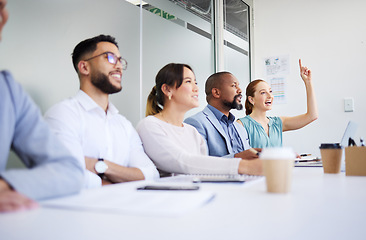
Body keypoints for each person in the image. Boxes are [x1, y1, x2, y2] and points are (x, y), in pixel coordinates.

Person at [0, 0, 83, 212]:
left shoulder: (8, 91)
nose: (4, 15)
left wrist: (5, 185)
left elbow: (70, 171)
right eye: (110, 57)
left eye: (1, 6)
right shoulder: (63, 112)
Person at [44, 35, 159, 188]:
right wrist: (122, 178)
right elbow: (69, 175)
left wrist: (101, 165)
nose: (118, 66)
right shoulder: (63, 114)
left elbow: (151, 174)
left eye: (120, 60)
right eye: (110, 58)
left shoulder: (123, 124)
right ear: (85, 67)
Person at [136, 63, 262, 176]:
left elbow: (204, 171)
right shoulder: (149, 125)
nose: (196, 88)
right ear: (167, 90)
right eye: (188, 82)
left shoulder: (192, 132)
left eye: (195, 82)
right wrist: (243, 166)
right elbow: (182, 162)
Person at [237, 59, 318, 148]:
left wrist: (308, 82)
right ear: (251, 100)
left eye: (270, 91)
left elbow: (312, 116)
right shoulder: (241, 125)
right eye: (263, 92)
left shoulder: (277, 123)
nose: (270, 96)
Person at [184, 72, 260, 159]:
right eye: (234, 85)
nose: (240, 90)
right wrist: (237, 158)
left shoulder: (239, 128)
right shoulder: (195, 123)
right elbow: (198, 163)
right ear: (216, 92)